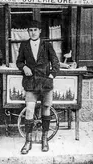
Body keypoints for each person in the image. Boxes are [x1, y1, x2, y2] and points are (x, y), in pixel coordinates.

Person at [16, 20, 60, 154]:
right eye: (30, 30)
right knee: (29, 110)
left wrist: (51, 76)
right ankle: (28, 141)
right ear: (28, 31)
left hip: (46, 83)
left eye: (35, 30)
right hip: (30, 83)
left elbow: (56, 63)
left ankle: (44, 139)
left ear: (40, 31)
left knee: (46, 109)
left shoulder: (47, 45)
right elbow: (19, 61)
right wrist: (23, 67)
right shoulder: (24, 45)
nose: (33, 32)